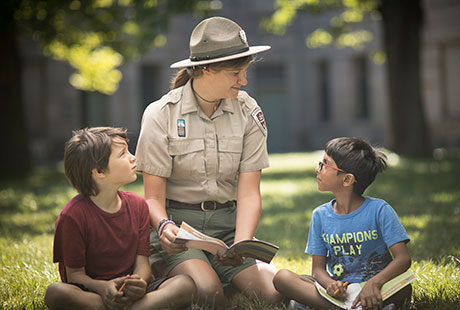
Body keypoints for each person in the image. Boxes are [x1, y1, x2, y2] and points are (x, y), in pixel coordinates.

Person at [134, 16, 282, 308]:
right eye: (236, 73)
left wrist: (241, 244)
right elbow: (152, 197)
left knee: (273, 295)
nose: (244, 80)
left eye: (245, 71)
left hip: (228, 229)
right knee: (209, 293)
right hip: (180, 229)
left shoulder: (248, 110)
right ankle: (179, 274)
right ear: (205, 70)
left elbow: (250, 191)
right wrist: (164, 226)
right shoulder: (161, 114)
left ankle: (214, 274)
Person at [44, 127, 196, 310]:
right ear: (99, 171)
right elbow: (75, 275)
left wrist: (139, 283)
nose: (133, 157)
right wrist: (104, 288)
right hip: (93, 293)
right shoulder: (72, 217)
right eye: (123, 154)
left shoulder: (138, 205)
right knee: (55, 292)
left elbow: (143, 265)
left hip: (135, 291)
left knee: (184, 284)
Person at [273, 137, 412, 310]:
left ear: (347, 180)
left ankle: (320, 306)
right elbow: (317, 270)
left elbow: (403, 259)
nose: (318, 169)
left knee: (405, 288)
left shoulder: (380, 210)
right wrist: (330, 284)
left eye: (324, 164)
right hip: (339, 293)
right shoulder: (320, 215)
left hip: (376, 287)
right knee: (282, 278)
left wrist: (374, 284)